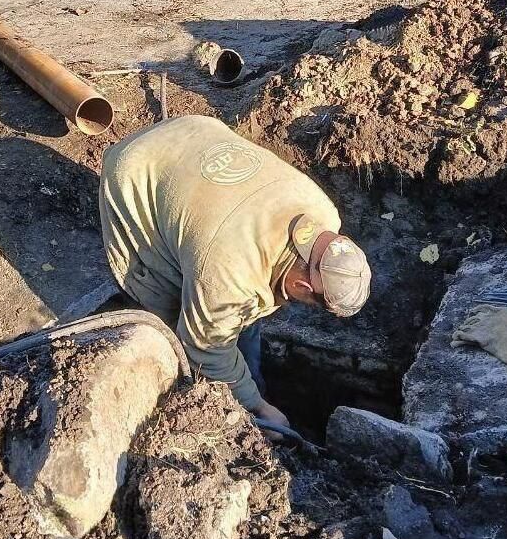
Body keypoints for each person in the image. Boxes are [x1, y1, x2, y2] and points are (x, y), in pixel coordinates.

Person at [98, 115, 371, 431]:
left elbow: (244, 302)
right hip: (135, 167)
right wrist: (257, 406)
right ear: (301, 285)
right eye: (313, 303)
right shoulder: (229, 273)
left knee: (235, 318)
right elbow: (206, 347)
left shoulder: (324, 214)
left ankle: (250, 384)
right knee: (169, 313)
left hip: (197, 132)